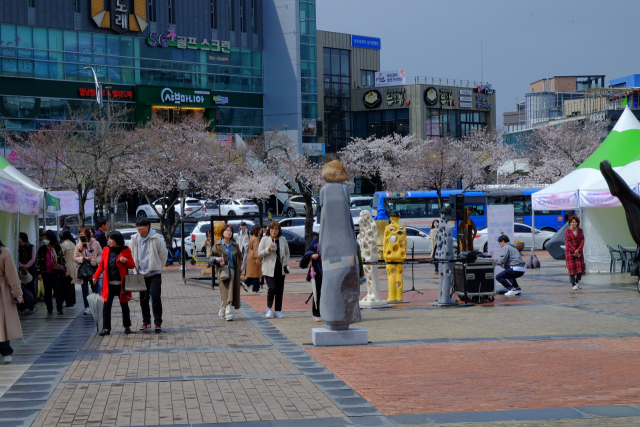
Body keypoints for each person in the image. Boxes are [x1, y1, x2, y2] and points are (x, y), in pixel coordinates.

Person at [92, 231, 136, 336]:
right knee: (106, 306)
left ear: (117, 240)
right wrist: (95, 276)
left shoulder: (126, 250)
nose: (109, 241)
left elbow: (132, 265)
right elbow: (101, 265)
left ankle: (127, 327)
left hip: (122, 284)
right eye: (108, 239)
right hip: (109, 284)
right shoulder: (106, 249)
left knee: (124, 305)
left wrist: (125, 261)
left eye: (111, 239)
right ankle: (106, 328)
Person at [130, 217, 168, 333]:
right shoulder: (134, 239)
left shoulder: (156, 238)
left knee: (155, 297)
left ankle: (158, 323)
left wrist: (158, 266)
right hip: (140, 274)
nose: (138, 229)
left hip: (154, 273)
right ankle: (146, 322)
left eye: (140, 226)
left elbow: (163, 254)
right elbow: (131, 253)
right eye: (137, 227)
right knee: (143, 299)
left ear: (147, 226)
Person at [258, 221, 290, 319]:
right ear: (269, 229)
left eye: (276, 229)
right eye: (272, 229)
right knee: (272, 288)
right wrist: (268, 249)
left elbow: (288, 253)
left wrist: (285, 263)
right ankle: (269, 308)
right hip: (268, 268)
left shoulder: (283, 239)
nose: (274, 231)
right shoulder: (264, 239)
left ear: (279, 230)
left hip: (280, 268)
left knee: (280, 290)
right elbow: (259, 254)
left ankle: (278, 311)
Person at [210, 225, 243, 321]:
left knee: (230, 290)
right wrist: (216, 258)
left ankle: (228, 312)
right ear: (223, 232)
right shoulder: (217, 245)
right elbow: (210, 256)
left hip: (233, 270)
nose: (229, 232)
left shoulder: (235, 245)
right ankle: (224, 311)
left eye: (230, 231)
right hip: (223, 270)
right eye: (227, 230)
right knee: (226, 291)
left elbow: (240, 258)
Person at [0, 240, 24, 364]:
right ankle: (6, 352)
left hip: (2, 291)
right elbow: (12, 275)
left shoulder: (4, 252)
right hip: (2, 292)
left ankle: (6, 351)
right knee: (3, 323)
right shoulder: (4, 252)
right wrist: (17, 294)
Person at [36, 230, 68, 315]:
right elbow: (38, 262)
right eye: (44, 238)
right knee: (47, 292)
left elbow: (62, 260)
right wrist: (39, 273)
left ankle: (59, 309)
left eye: (46, 238)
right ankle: (49, 308)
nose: (44, 240)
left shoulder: (57, 248)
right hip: (46, 273)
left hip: (56, 273)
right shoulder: (42, 249)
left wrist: (63, 268)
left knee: (58, 291)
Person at [74, 228, 102, 315]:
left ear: (88, 235)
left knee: (95, 287)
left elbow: (101, 254)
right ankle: (87, 307)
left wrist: (95, 261)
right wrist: (83, 259)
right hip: (83, 269)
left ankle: (96, 305)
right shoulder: (78, 245)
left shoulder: (95, 243)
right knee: (85, 289)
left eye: (83, 235)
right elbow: (74, 257)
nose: (81, 236)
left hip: (93, 268)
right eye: (80, 235)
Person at [300, 235, 322, 321]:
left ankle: (326, 312)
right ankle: (316, 313)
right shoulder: (316, 241)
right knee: (317, 292)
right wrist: (312, 255)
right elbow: (309, 251)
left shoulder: (333, 239)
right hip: (318, 270)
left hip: (330, 270)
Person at [564, 215, 585, 290]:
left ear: (577, 223)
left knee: (580, 268)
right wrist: (573, 250)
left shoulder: (580, 231)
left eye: (574, 222)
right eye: (571, 222)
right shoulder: (567, 231)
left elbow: (582, 240)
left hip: (578, 253)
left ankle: (577, 282)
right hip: (570, 253)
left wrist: (578, 250)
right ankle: (573, 284)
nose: (572, 224)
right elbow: (567, 242)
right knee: (571, 268)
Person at [17, 232, 38, 303]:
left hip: (31, 270)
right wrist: (21, 265)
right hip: (21, 270)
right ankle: (25, 302)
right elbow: (16, 258)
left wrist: (26, 266)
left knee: (31, 286)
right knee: (22, 286)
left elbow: (33, 258)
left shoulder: (32, 247)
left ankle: (32, 302)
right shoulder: (17, 248)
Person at [60, 230, 77, 308]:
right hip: (73, 266)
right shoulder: (73, 244)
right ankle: (72, 301)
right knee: (71, 285)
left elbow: (61, 257)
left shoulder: (63, 245)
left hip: (66, 266)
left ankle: (68, 302)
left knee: (66, 285)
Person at [243, 225, 263, 293]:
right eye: (260, 229)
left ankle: (247, 284)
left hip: (250, 256)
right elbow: (256, 249)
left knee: (253, 273)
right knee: (256, 273)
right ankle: (255, 288)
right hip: (254, 257)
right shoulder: (256, 239)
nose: (261, 230)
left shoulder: (252, 237)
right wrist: (258, 258)